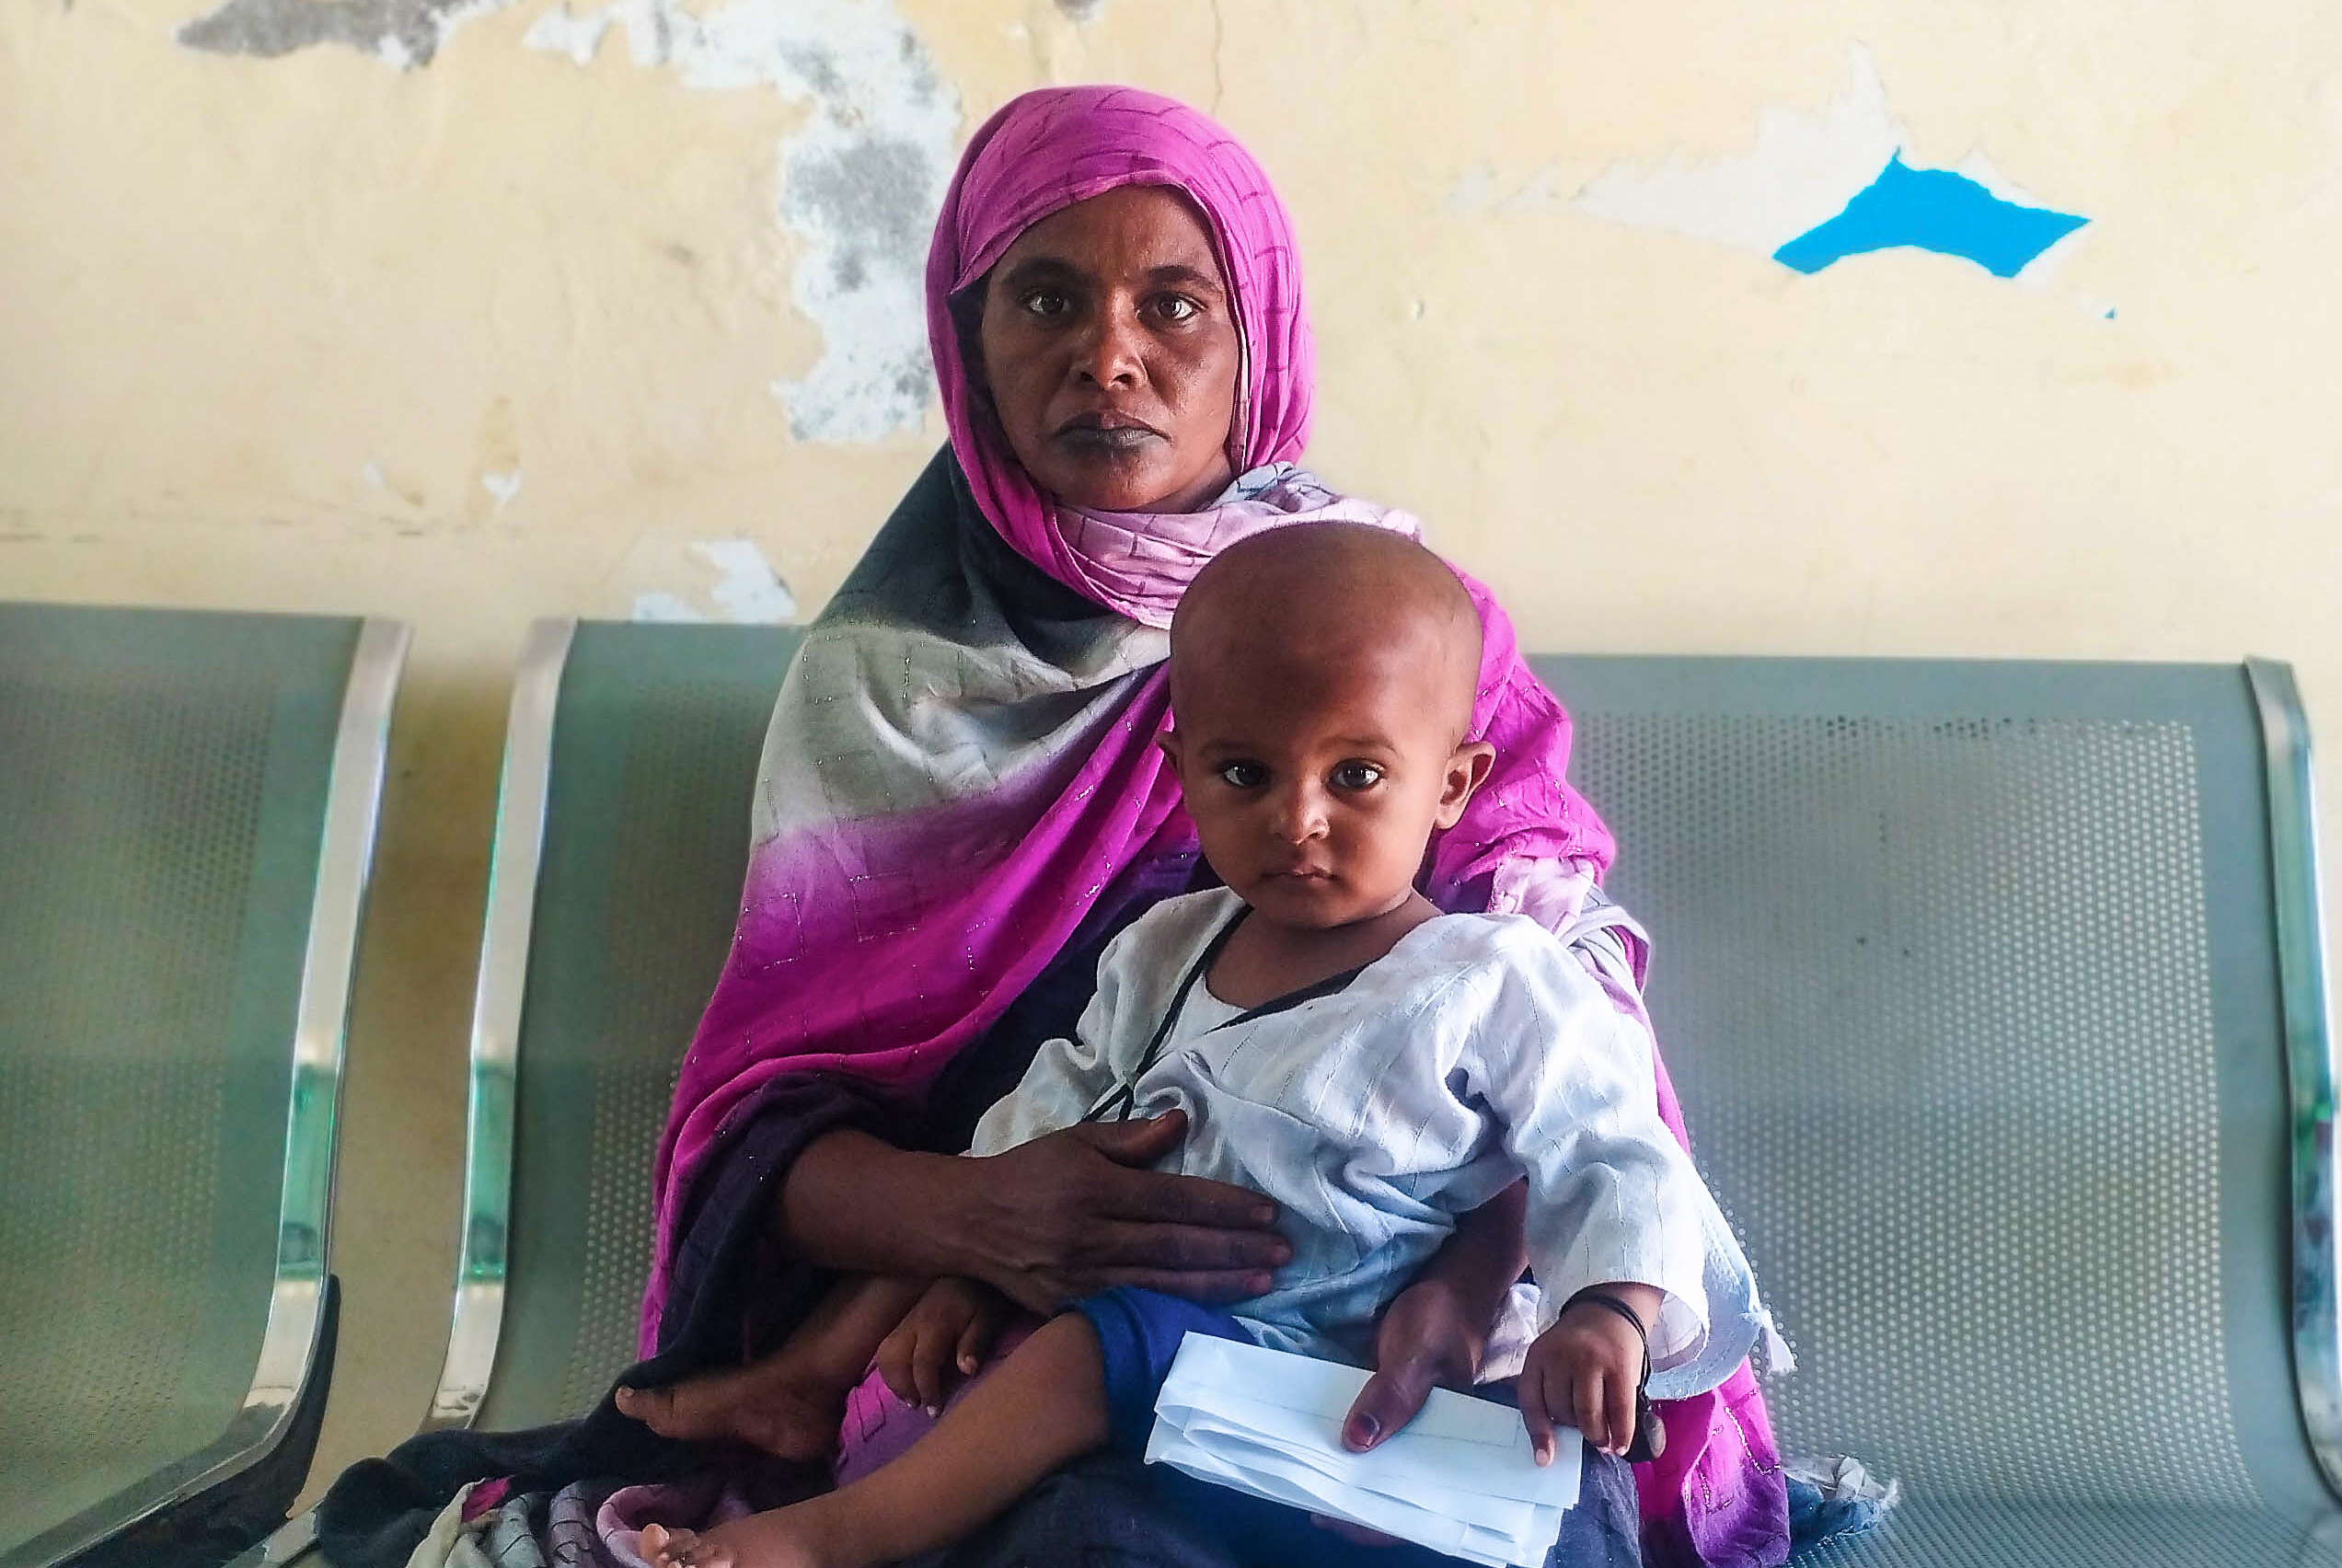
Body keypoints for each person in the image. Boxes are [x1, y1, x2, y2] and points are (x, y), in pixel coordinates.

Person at [313, 84, 1790, 1568]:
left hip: (1416, 1337)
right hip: (1040, 1346)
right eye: (1045, 299)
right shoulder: (889, 682)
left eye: (1176, 305)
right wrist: (980, 1224)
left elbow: (1577, 1068)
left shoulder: (1407, 639)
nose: (1110, 356)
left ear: (1259, 338)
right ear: (967, 343)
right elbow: (772, 1137)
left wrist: (1482, 1272)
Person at [633, 523, 1769, 1568]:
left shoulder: (1495, 977)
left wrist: (1606, 1313)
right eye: (1244, 774)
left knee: (1569, 1517)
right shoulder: (1162, 949)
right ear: (1183, 777)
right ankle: (833, 1538)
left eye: (1357, 776)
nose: (1297, 818)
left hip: (1410, 1397)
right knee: (1083, 1389)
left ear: (1452, 785)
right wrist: (969, 1268)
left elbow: (1615, 1152)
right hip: (1194, 1386)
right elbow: (1061, 1106)